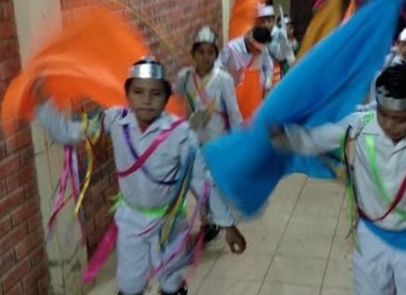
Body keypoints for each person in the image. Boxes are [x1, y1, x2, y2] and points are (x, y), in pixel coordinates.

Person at [34, 57, 247, 295]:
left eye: (155, 93)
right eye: (138, 91)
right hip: (131, 221)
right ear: (128, 94)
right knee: (130, 283)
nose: (146, 100)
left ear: (166, 98)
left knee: (171, 282)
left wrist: (227, 224)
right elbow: (69, 132)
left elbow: (202, 180)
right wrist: (44, 104)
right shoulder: (115, 120)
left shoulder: (179, 133)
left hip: (170, 223)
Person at [271, 63, 406, 295]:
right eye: (383, 114)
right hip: (370, 236)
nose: (388, 125)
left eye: (400, 119)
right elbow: (316, 138)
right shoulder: (361, 125)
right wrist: (282, 135)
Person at [174, 26, 243, 243]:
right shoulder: (184, 77)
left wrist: (237, 143)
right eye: (201, 52)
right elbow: (176, 104)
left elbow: (234, 113)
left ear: (216, 54)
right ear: (193, 53)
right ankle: (208, 219)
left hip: (217, 141)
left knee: (213, 184)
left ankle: (212, 221)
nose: (206, 57)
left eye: (210, 52)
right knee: (197, 184)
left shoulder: (223, 79)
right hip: (193, 140)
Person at [217, 26, 273, 120]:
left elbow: (268, 67)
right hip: (236, 98)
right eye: (257, 51)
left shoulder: (262, 49)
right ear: (251, 44)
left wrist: (267, 85)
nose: (260, 53)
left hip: (256, 96)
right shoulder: (231, 49)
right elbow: (217, 67)